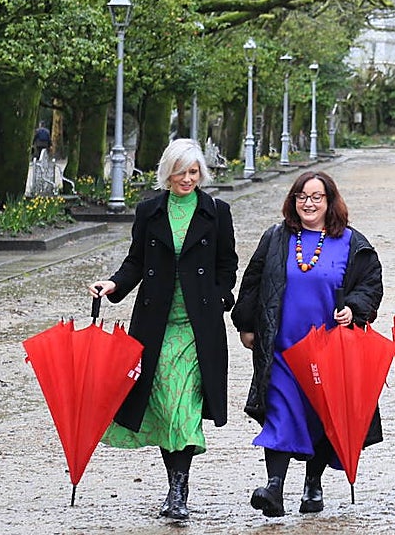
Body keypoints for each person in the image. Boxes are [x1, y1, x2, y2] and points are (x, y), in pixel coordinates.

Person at [87, 138, 238, 521]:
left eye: (193, 172)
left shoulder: (216, 212)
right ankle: (175, 486)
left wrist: (220, 297)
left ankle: (178, 489)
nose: (187, 179)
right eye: (180, 172)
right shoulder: (149, 211)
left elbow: (227, 264)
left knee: (183, 407)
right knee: (165, 407)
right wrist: (113, 284)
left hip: (197, 328)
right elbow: (136, 262)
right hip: (157, 325)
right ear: (167, 173)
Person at [231, 171, 383, 518]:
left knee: (320, 416)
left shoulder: (352, 242)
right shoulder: (276, 238)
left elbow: (371, 285)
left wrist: (353, 308)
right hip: (281, 347)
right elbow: (253, 281)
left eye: (316, 197)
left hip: (328, 351)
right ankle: (274, 486)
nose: (308, 203)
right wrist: (247, 324)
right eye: (302, 196)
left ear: (330, 201)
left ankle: (313, 483)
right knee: (280, 413)